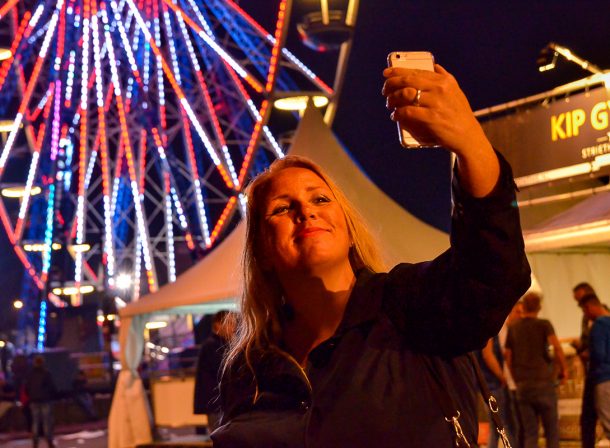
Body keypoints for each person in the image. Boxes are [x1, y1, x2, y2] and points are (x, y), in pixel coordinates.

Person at [211, 63, 531, 447]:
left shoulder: (410, 306)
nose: (305, 211)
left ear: (348, 231)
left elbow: (492, 270)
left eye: (320, 199)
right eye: (282, 208)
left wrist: (470, 143)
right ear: (261, 250)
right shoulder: (249, 370)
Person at [505, 292, 568, 448]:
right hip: (544, 383)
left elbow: (508, 356)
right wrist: (563, 370)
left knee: (530, 433)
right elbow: (557, 348)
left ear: (523, 307)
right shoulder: (544, 325)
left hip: (523, 386)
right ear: (539, 307)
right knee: (551, 432)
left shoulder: (513, 328)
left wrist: (515, 376)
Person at [194, 311, 237, 433]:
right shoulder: (213, 345)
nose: (234, 328)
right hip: (217, 402)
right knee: (221, 435)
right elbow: (225, 370)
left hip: (219, 402)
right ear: (218, 325)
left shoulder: (217, 344)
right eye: (230, 323)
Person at [572, 282, 600, 448]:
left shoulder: (600, 319)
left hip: (600, 375)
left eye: (580, 301)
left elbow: (597, 348)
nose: (579, 306)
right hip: (594, 374)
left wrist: (583, 349)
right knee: (588, 419)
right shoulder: (589, 318)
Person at [579, 293, 610, 440]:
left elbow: (598, 354)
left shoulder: (598, 325)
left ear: (589, 307)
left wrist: (586, 354)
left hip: (603, 378)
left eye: (584, 311)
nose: (586, 315)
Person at [25, 355, 57, 448]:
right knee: (46, 421)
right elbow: (52, 387)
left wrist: (31, 395)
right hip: (45, 399)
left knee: (35, 421)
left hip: (34, 400)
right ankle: (49, 441)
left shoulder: (30, 374)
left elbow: (27, 387)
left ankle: (35, 442)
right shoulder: (46, 373)